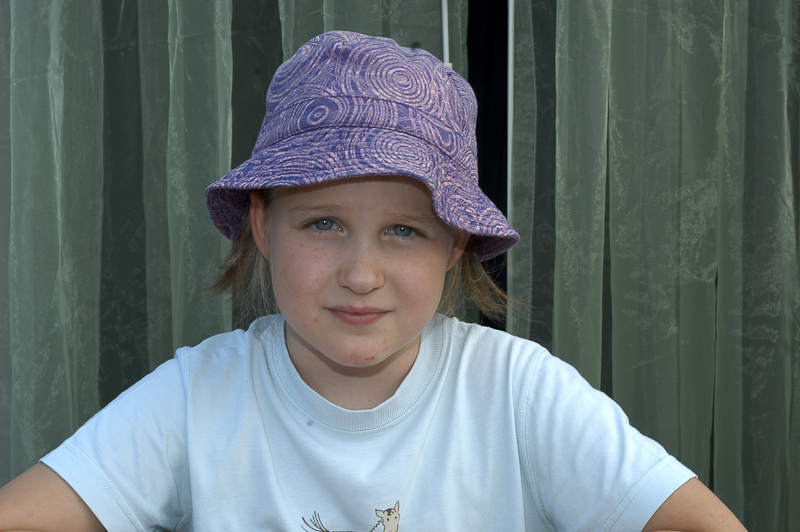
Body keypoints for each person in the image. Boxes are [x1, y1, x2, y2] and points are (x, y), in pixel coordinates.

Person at [0, 31, 745, 532]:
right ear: (261, 226)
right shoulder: (197, 398)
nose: (361, 275)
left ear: (455, 244)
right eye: (322, 223)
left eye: (404, 231)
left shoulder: (518, 390)